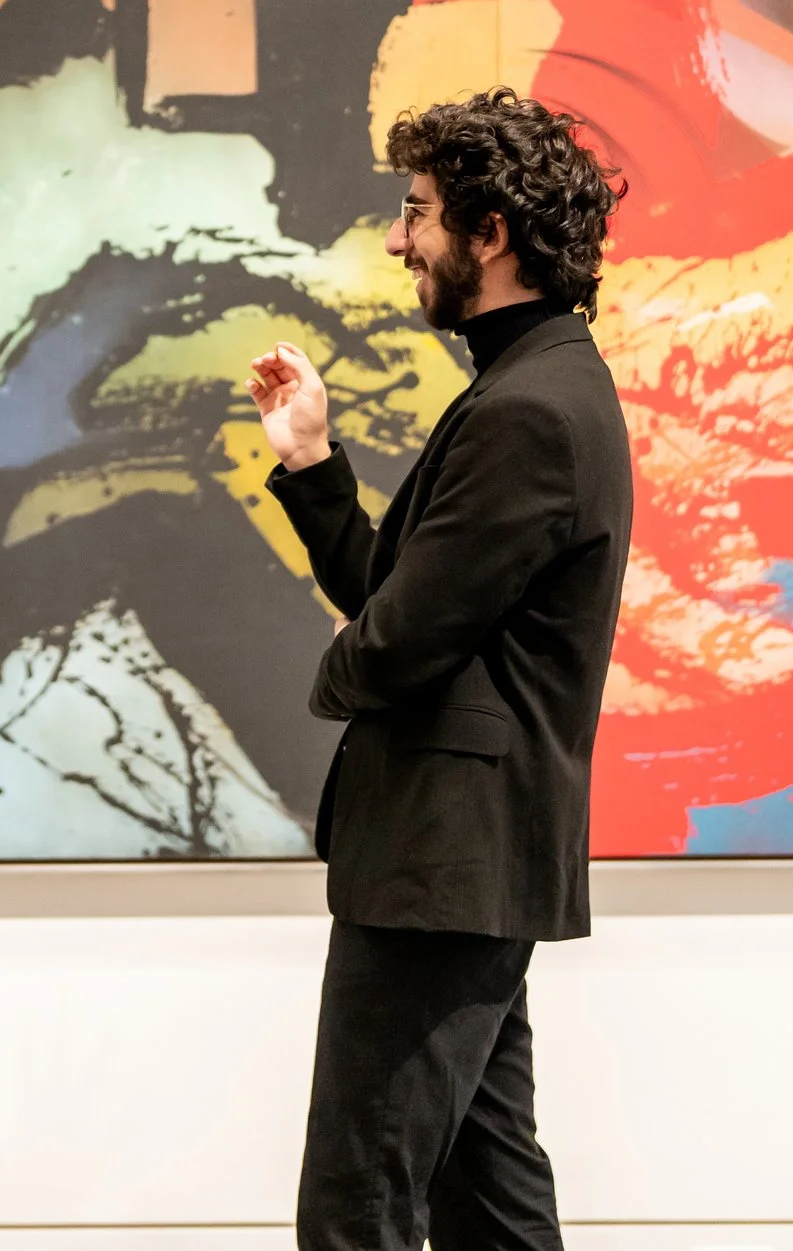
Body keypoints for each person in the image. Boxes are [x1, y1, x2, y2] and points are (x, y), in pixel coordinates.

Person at [246, 87, 633, 1251]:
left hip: (445, 863)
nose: (398, 239)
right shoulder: (530, 390)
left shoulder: (530, 411)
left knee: (358, 1200)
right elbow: (406, 598)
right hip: (461, 863)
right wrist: (311, 460)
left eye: (416, 211)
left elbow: (398, 638)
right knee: (486, 1190)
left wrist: (341, 668)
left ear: (491, 233)